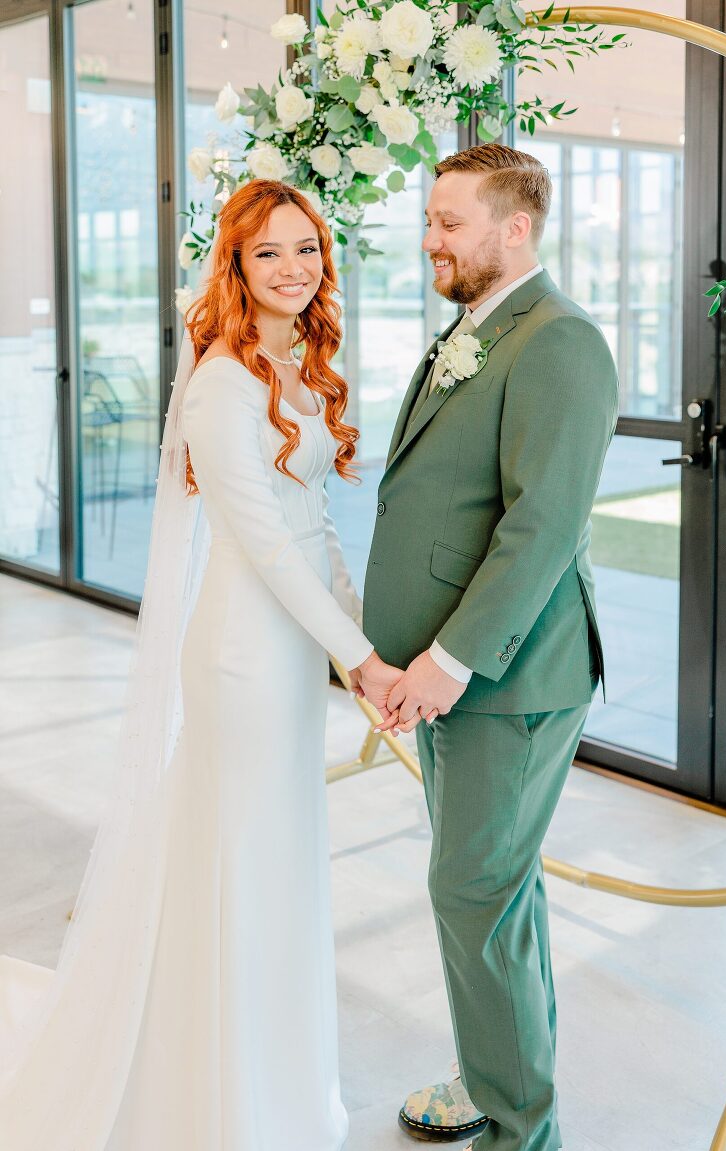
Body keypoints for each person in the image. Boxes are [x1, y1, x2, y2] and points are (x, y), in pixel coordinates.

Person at [0, 179, 400, 1150]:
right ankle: (222, 1099)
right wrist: (358, 659)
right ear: (235, 264)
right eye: (270, 252)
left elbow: (316, 529)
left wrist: (365, 646)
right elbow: (264, 542)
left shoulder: (299, 363)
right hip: (239, 656)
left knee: (277, 864)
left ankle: (276, 1077)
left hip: (292, 651)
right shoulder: (223, 380)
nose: (294, 268)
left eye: (308, 248)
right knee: (239, 867)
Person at [363, 144, 619, 1151]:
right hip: (454, 680)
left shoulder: (560, 341)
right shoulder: (474, 330)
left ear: (516, 229)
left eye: (449, 221)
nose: (430, 238)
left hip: (505, 679)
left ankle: (523, 1130)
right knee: (495, 889)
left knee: (473, 887)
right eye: (429, 218)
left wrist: (450, 659)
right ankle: (493, 1077)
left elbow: (543, 523)